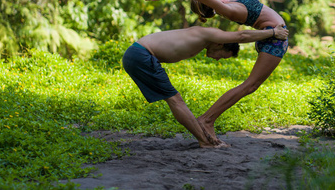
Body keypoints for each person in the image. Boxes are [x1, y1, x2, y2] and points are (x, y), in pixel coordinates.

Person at [144, 0, 289, 143]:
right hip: (274, 38)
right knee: (250, 86)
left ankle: (207, 119)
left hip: (273, 36)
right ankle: (207, 120)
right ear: (208, 3)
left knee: (251, 86)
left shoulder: (227, 3)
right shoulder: (226, 9)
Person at [123, 25, 288, 148]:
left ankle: (205, 139)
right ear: (221, 44)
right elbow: (242, 35)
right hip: (141, 55)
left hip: (139, 54)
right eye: (222, 56)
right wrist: (273, 33)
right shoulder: (211, 34)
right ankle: (206, 141)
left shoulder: (204, 37)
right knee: (175, 100)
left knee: (174, 99)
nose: (217, 60)